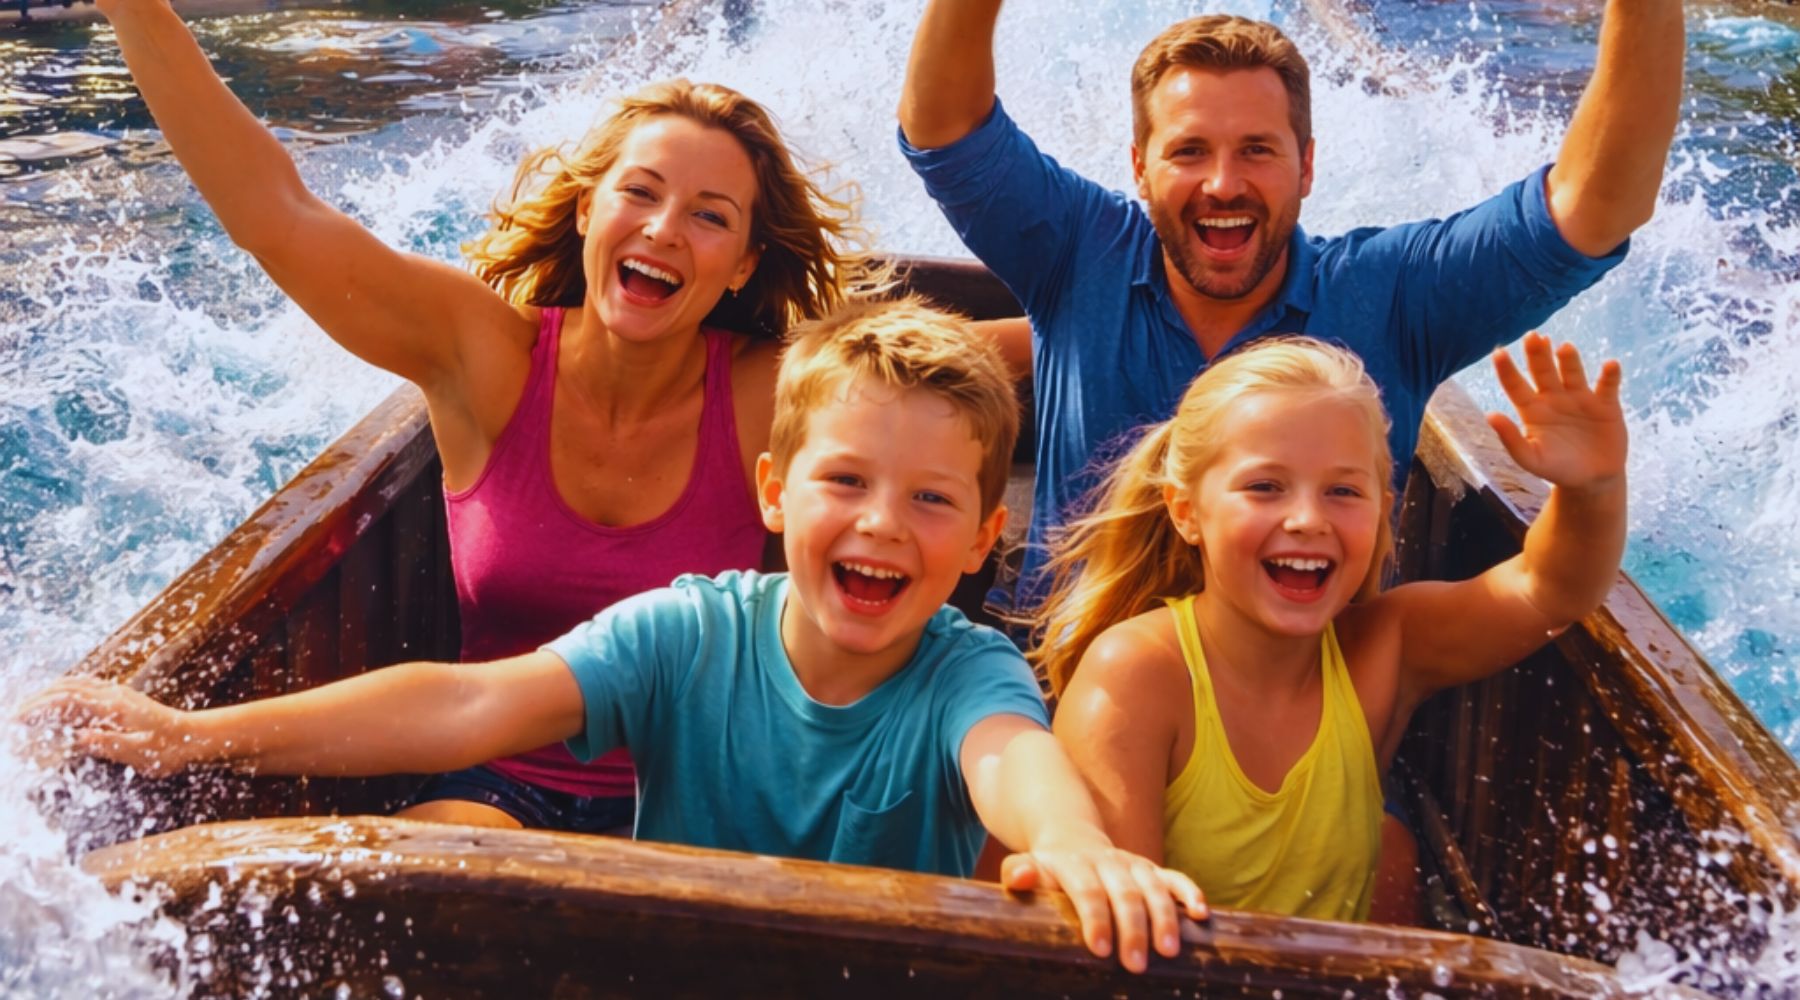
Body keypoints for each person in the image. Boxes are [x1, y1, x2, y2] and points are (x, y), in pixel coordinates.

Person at [23, 298, 1207, 973]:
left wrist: (1077, 843)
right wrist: (190, 735)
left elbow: (1014, 762)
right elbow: (469, 704)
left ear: (983, 539)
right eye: (845, 480)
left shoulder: (969, 669)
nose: (883, 524)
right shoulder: (692, 628)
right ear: (772, 493)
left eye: (932, 501)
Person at [96, 1, 875, 832]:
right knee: (400, 888)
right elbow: (279, 218)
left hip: (699, 801)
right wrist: (134, 10)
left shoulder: (773, 389)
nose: (662, 228)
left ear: (745, 263)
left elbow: (955, 363)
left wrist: (1043, 307)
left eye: (709, 215)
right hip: (498, 791)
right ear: (586, 211)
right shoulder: (486, 356)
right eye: (638, 193)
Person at [897, 2, 1678, 619]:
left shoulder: (1393, 296)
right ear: (1141, 166)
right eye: (1190, 151)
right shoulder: (1079, 251)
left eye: (1258, 151)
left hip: (1299, 718)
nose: (1224, 184)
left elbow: (1593, 207)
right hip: (1063, 691)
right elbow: (944, 126)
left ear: (1308, 166)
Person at [1030, 333, 1627, 922]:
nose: (1307, 519)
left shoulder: (1382, 647)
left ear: (1381, 508)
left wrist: (1591, 488)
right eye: (1265, 487)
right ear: (1187, 511)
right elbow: (1118, 931)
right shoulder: (1137, 675)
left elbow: (1548, 589)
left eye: (1343, 491)